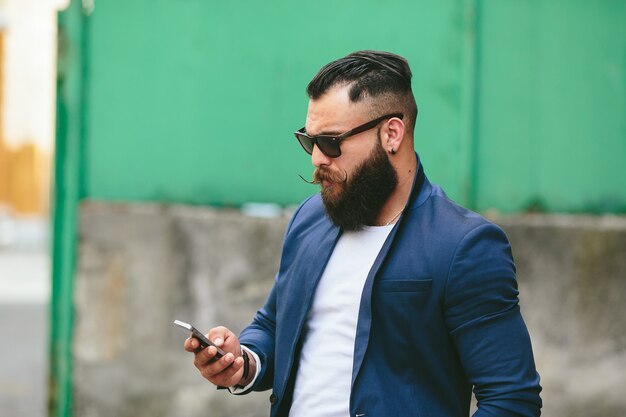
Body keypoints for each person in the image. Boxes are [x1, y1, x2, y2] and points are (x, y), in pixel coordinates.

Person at [184, 50, 542, 417]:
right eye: (309, 141)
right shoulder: (310, 218)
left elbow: (511, 401)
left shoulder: (463, 246)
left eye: (331, 142)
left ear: (391, 133)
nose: (317, 159)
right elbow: (276, 324)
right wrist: (243, 362)